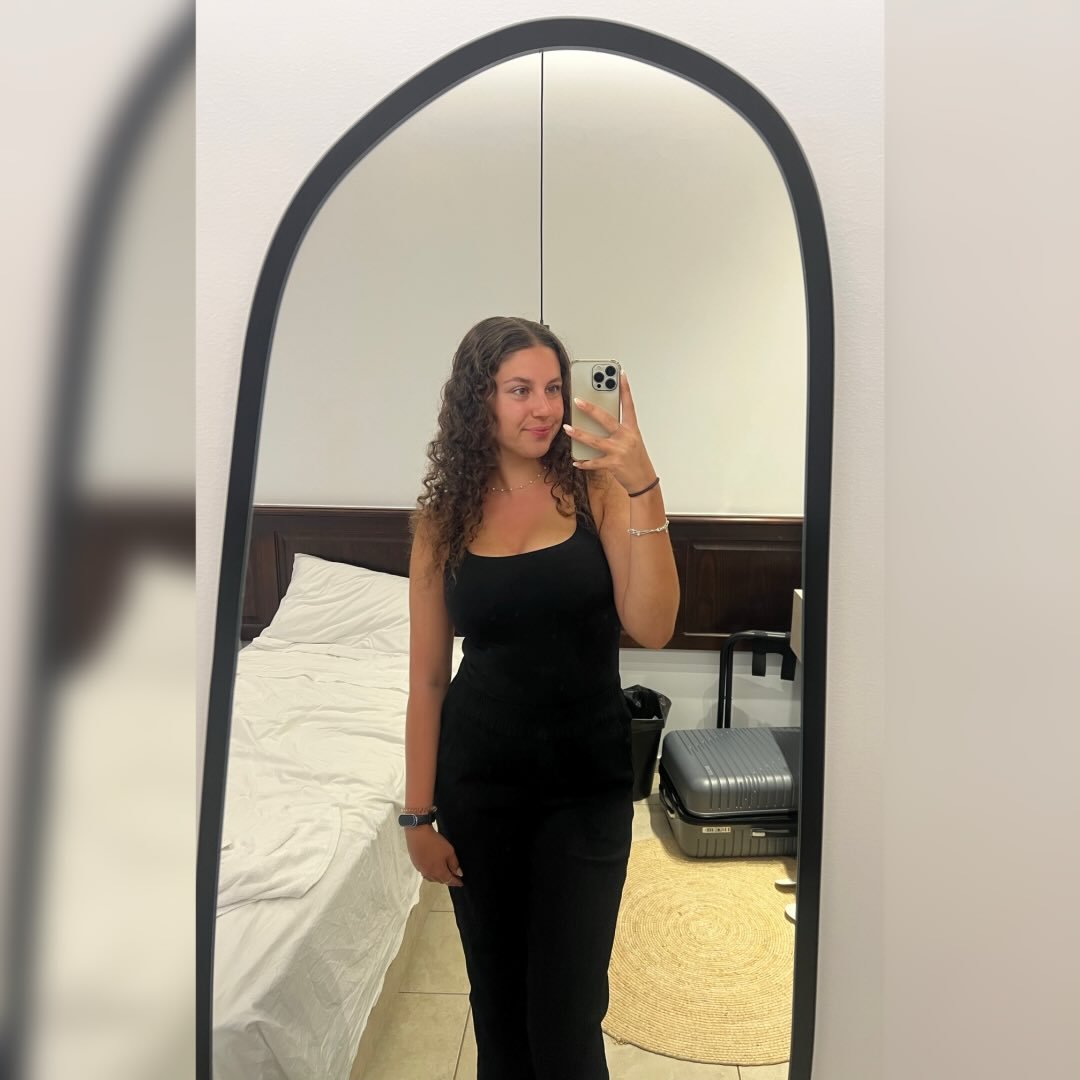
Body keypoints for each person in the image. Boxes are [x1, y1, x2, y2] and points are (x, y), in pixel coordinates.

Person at [401, 315, 679, 1079]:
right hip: (478, 787)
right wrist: (417, 814)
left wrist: (644, 482)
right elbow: (427, 679)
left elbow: (654, 626)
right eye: (519, 389)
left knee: (566, 1018)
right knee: (498, 1012)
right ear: (479, 401)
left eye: (554, 388)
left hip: (585, 789)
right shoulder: (442, 520)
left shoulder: (598, 491)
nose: (545, 407)